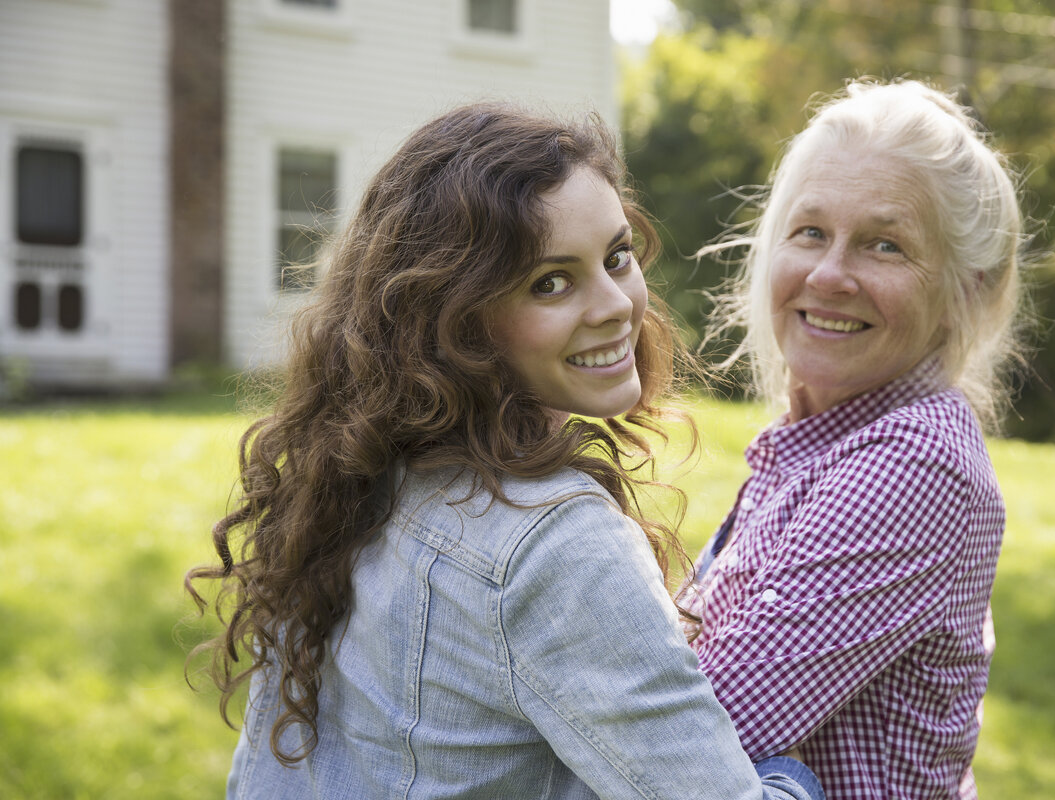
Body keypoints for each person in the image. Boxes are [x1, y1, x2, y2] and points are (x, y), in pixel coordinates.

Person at [184, 102, 823, 800]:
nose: (613, 303)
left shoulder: (356, 471)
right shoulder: (553, 544)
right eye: (550, 282)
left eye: (617, 257)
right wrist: (789, 767)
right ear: (456, 317)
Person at [688, 78, 1031, 799]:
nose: (829, 274)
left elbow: (688, 737)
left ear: (963, 290)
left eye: (885, 244)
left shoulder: (913, 461)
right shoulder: (817, 440)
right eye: (810, 231)